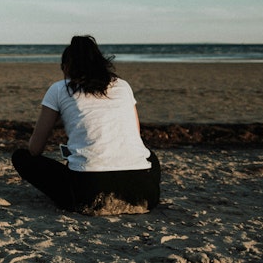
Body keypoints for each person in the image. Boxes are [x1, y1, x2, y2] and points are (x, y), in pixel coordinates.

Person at [11, 35, 160, 215]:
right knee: (148, 155)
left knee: (21, 157)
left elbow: (35, 149)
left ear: (66, 67)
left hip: (89, 194)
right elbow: (135, 135)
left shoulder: (60, 89)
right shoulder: (123, 85)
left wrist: (57, 121)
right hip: (144, 193)